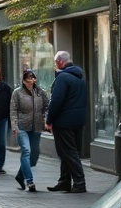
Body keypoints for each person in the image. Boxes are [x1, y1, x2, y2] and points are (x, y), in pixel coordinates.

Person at [46, 51, 88, 193]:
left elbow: (56, 101)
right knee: (69, 151)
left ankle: (79, 182)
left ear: (59, 62)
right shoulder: (80, 78)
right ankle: (64, 181)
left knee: (69, 152)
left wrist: (49, 120)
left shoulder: (62, 78)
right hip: (78, 120)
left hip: (64, 121)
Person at [10, 69, 50, 193]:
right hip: (22, 127)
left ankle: (20, 175)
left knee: (34, 155)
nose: (31, 80)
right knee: (26, 151)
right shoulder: (17, 93)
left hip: (36, 127)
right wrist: (15, 126)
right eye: (28, 78)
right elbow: (13, 110)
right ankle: (29, 181)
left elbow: (47, 106)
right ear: (23, 80)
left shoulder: (40, 92)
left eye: (32, 78)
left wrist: (46, 120)